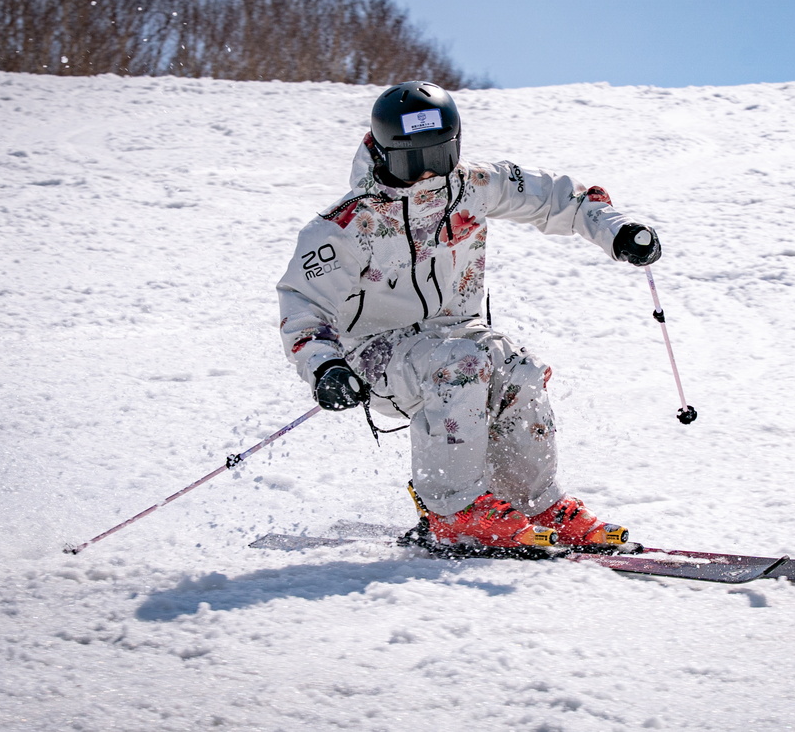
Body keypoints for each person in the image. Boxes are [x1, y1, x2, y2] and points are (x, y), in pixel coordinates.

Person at [277, 81, 661, 549]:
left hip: (459, 335)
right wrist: (325, 368)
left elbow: (561, 199)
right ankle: (452, 508)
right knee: (461, 363)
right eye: (407, 162)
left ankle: (533, 502)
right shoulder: (347, 223)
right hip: (375, 356)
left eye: (436, 159)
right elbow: (304, 305)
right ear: (380, 153)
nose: (425, 177)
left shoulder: (474, 186)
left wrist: (617, 231)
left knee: (520, 367)